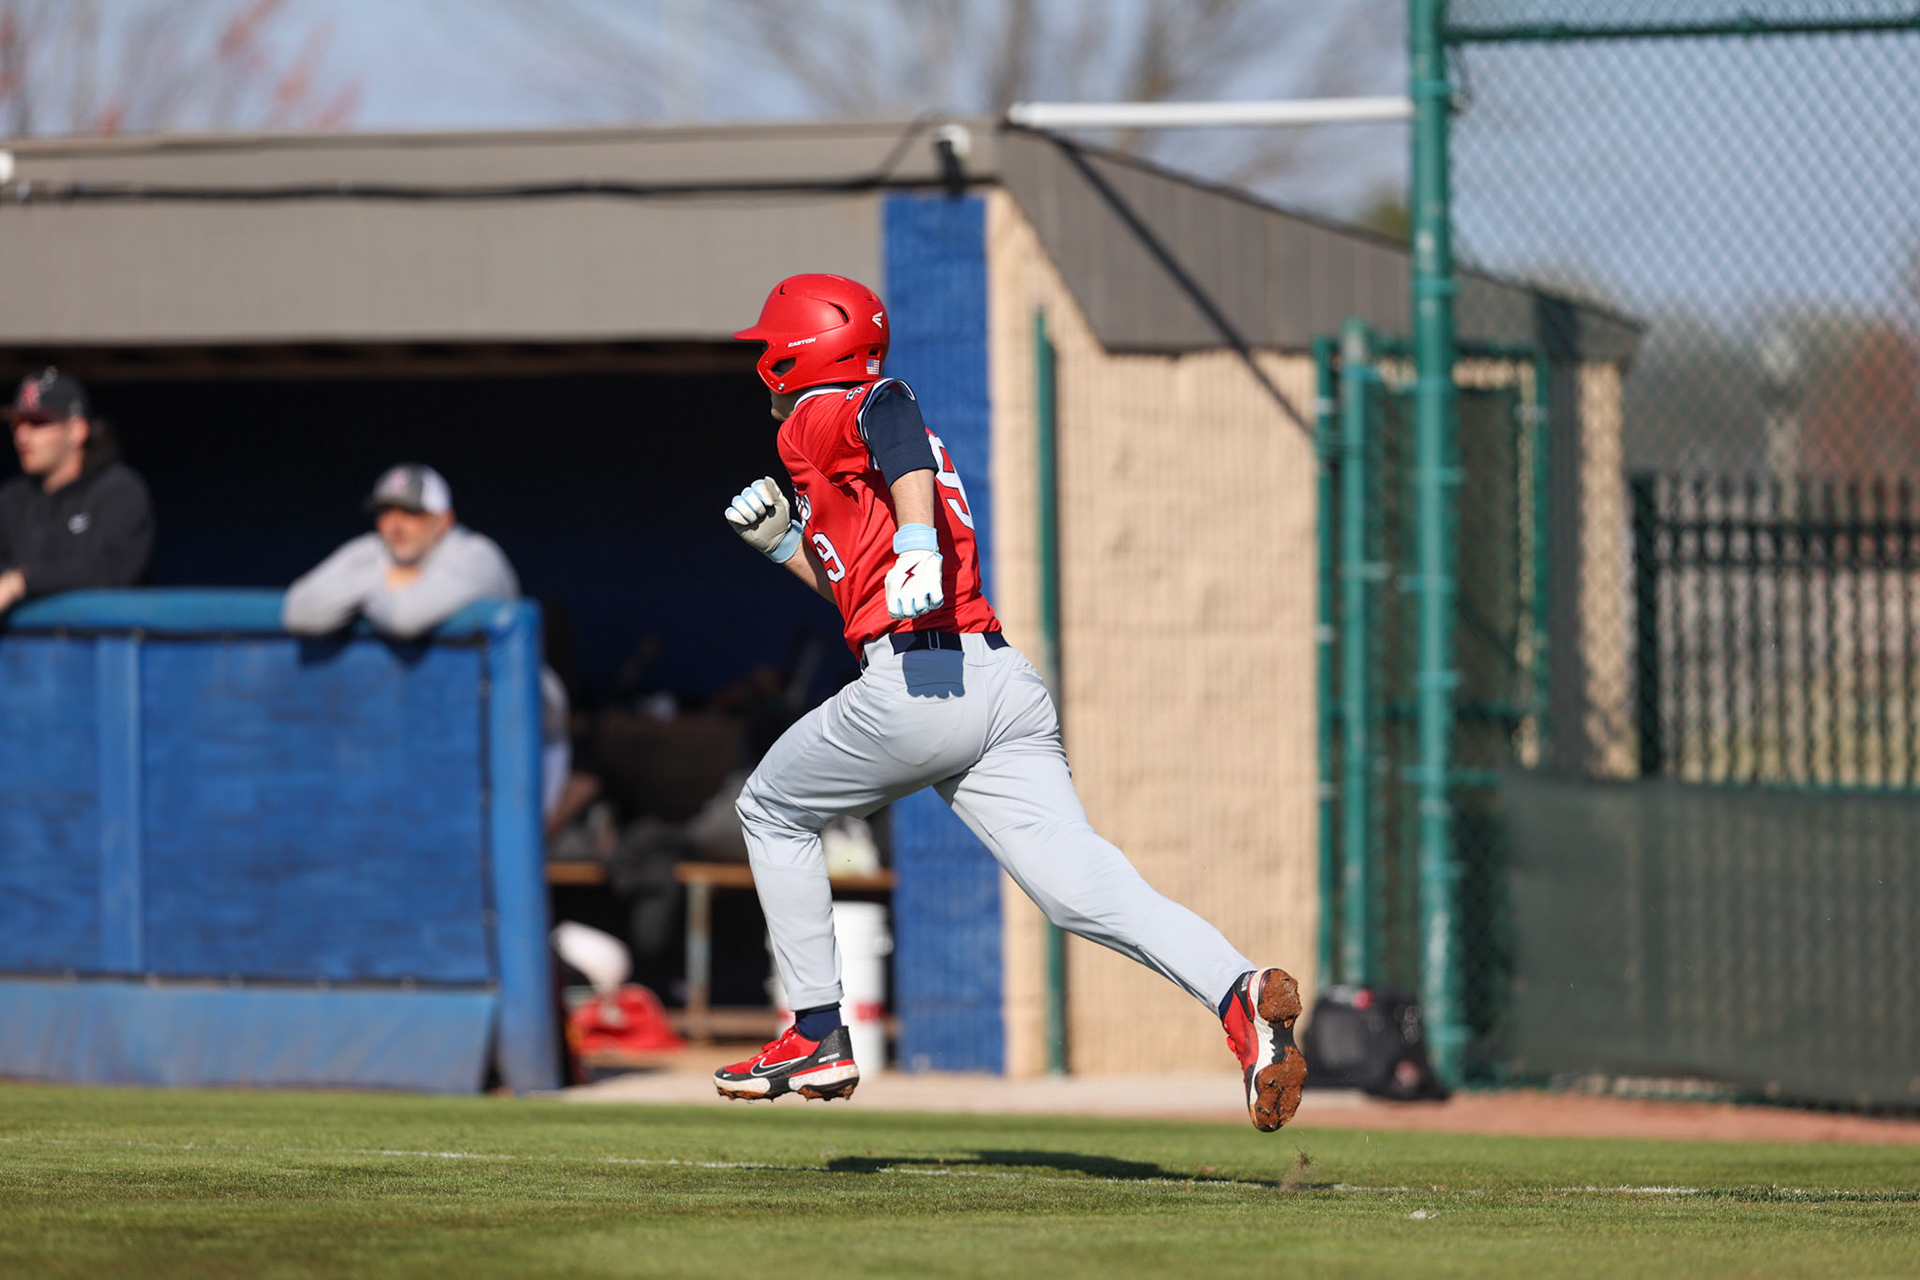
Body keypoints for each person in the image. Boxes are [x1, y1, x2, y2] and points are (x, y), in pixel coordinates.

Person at [712, 274, 1308, 1131]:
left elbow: (889, 407)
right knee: (1080, 889)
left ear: (792, 353)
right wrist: (786, 549)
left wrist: (915, 539)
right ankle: (1237, 991)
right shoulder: (857, 463)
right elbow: (866, 593)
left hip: (920, 684)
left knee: (769, 809)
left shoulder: (829, 411)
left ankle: (813, 1031)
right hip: (998, 685)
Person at [284, 465, 572, 815]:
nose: (396, 525)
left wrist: (359, 592)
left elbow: (405, 617)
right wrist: (384, 579)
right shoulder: (373, 554)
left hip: (523, 738)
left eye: (412, 513)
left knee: (512, 854)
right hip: (447, 740)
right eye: (386, 512)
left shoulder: (478, 557)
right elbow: (298, 610)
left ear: (444, 521)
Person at [0, 368, 154, 612]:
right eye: (17, 422)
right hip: (22, 648)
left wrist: (20, 583)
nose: (22, 434)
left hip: (104, 645)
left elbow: (112, 570)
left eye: (38, 421)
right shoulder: (12, 499)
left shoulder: (118, 490)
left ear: (77, 430)